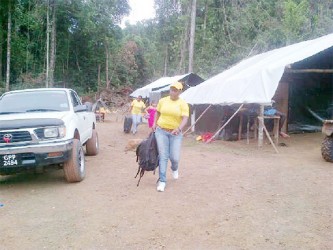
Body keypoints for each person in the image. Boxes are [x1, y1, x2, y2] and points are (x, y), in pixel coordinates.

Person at [152, 81, 189, 192]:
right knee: (163, 156)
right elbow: (157, 112)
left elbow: (185, 118)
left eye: (175, 90)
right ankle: (162, 181)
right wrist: (154, 123)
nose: (173, 91)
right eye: (172, 89)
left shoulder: (183, 104)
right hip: (161, 131)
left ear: (180, 91)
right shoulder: (163, 101)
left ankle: (174, 168)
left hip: (175, 134)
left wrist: (178, 129)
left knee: (174, 157)